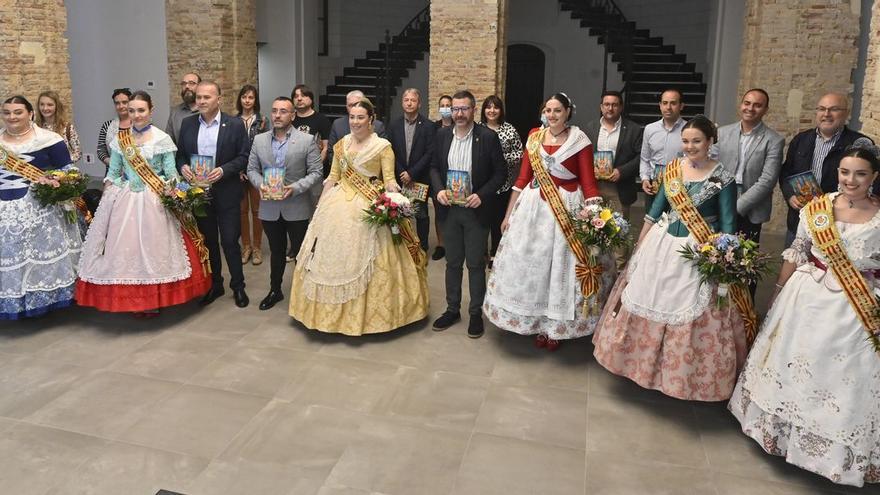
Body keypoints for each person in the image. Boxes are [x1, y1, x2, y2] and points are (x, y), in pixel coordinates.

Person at [729, 144, 880, 487]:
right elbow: (797, 250)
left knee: (845, 377)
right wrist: (779, 291)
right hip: (807, 298)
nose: (850, 180)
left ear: (874, 177)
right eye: (844, 172)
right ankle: (783, 436)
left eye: (860, 174)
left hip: (856, 307)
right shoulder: (818, 207)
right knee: (796, 363)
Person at [592, 115, 748, 401]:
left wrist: (722, 260)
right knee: (645, 296)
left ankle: (679, 376)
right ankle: (638, 366)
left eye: (696, 141)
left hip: (697, 250)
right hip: (660, 245)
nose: (690, 146)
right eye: (686, 141)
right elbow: (654, 211)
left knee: (689, 308)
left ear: (710, 141)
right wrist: (639, 247)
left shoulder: (723, 179)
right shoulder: (673, 170)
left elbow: (727, 225)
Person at [288, 98, 428, 335]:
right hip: (337, 205)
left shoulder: (382, 146)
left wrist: (397, 202)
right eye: (352, 117)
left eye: (360, 117)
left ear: (371, 119)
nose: (355, 122)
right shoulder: (341, 144)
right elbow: (332, 177)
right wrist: (320, 208)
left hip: (369, 205)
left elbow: (390, 181)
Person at [484, 93, 612, 350]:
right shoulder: (533, 138)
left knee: (559, 268)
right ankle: (534, 321)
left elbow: (589, 183)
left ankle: (555, 328)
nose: (552, 115)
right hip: (532, 209)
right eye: (548, 110)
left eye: (557, 110)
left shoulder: (580, 140)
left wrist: (597, 219)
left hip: (567, 209)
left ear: (567, 112)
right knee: (534, 267)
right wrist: (509, 215)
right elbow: (521, 180)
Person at [75, 91, 212, 315]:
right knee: (127, 252)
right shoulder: (121, 139)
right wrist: (114, 185)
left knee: (154, 249)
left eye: (141, 110)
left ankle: (156, 298)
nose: (136, 115)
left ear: (151, 110)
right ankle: (133, 300)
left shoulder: (162, 139)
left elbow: (170, 172)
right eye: (132, 111)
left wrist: (172, 190)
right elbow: (115, 171)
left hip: (155, 199)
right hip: (126, 200)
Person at [430, 90, 507, 338]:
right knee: (452, 263)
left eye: (464, 109)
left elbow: (500, 173)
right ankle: (452, 309)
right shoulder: (441, 135)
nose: (459, 114)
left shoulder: (487, 137)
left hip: (476, 211)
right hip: (449, 210)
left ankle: (476, 313)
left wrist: (482, 195)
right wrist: (439, 189)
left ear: (473, 110)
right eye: (455, 109)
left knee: (475, 264)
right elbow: (433, 167)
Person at [0, 95, 80, 319]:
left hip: (38, 206)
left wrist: (52, 181)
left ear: (30, 114)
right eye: (7, 112)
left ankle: (40, 299)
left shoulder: (48, 139)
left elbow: (68, 170)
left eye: (18, 112)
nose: (12, 117)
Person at [177, 81, 251, 308]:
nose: (201, 101)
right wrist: (183, 168)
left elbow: (244, 156)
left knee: (229, 241)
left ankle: (238, 287)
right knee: (208, 242)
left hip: (227, 191)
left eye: (206, 97)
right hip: (199, 194)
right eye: (199, 97)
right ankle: (215, 284)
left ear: (218, 99)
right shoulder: (188, 124)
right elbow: (180, 155)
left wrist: (224, 170)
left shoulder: (235, 124)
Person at [247, 96, 323, 310]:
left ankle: (304, 294)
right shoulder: (259, 140)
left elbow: (317, 172)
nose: (277, 115)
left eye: (283, 111)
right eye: (274, 111)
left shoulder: (306, 140)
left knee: (301, 251)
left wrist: (295, 188)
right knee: (276, 251)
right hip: (269, 207)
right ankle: (275, 290)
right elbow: (251, 169)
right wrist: (261, 184)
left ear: (293, 115)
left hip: (297, 205)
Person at [779, 92, 871, 247]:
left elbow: (870, 185)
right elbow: (786, 172)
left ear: (846, 113)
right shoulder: (801, 140)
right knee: (793, 266)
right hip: (799, 221)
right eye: (822, 109)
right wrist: (789, 195)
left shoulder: (859, 144)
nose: (826, 114)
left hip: (838, 226)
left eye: (834, 109)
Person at [715, 88, 784, 245]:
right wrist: (718, 198)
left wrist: (736, 207)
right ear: (741, 105)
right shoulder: (722, 133)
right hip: (722, 196)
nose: (750, 108)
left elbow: (767, 180)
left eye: (757, 105)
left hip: (752, 205)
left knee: (744, 259)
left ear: (766, 110)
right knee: (714, 252)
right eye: (747, 103)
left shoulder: (774, 140)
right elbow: (714, 168)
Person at [387, 88, 435, 252]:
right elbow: (390, 151)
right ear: (402, 103)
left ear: (419, 104)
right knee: (398, 214)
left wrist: (412, 173)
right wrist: (402, 172)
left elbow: (430, 153)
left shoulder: (428, 126)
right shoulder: (394, 124)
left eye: (412, 100)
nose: (409, 103)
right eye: (406, 100)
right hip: (399, 177)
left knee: (421, 214)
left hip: (419, 178)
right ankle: (402, 248)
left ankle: (422, 248)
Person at [584, 90, 643, 221]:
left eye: (614, 105)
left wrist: (622, 171)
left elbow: (641, 157)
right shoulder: (590, 127)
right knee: (593, 227)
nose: (610, 108)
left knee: (618, 230)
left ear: (621, 107)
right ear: (601, 107)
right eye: (606, 104)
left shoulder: (634, 129)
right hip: (595, 186)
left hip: (619, 187)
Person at [289, 84, 331, 261]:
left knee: (315, 209)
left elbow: (326, 147)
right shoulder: (289, 119)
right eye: (296, 96)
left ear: (311, 99)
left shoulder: (320, 119)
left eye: (303, 95)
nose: (299, 98)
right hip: (292, 174)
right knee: (294, 212)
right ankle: (295, 247)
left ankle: (315, 246)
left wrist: (315, 166)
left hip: (314, 173)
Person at [480, 95, 523, 263]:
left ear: (501, 110)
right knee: (482, 220)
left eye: (495, 107)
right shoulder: (478, 128)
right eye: (488, 107)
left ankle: (494, 254)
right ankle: (480, 252)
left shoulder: (509, 129)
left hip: (504, 184)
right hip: (482, 185)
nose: (492, 110)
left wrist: (500, 158)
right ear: (484, 110)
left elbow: (520, 153)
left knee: (498, 221)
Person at [236, 84, 268, 267]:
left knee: (257, 211)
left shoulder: (263, 120)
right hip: (239, 172)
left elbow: (267, 146)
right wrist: (238, 170)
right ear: (240, 99)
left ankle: (257, 247)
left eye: (251, 98)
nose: (247, 101)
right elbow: (232, 147)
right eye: (244, 97)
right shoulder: (232, 120)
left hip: (259, 171)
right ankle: (245, 246)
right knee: (241, 211)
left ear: (255, 100)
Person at [639, 88, 686, 208]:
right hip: (653, 189)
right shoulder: (650, 129)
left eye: (673, 103)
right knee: (652, 224)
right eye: (665, 103)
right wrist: (644, 179)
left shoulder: (689, 130)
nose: (668, 107)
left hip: (680, 190)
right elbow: (645, 159)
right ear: (660, 105)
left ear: (681, 106)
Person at [327, 90, 386, 168]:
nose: (354, 107)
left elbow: (383, 154)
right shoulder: (337, 125)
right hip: (343, 173)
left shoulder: (377, 126)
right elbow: (331, 152)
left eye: (357, 104)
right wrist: (347, 170)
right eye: (350, 105)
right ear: (346, 106)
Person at [430, 94, 453, 260]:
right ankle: (441, 244)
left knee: (454, 212)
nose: (445, 108)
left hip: (455, 177)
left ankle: (455, 244)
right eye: (443, 105)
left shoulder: (457, 126)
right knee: (439, 212)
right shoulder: (433, 127)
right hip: (438, 174)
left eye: (448, 105)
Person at [36, 90, 81, 163]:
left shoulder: (67, 128)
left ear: (57, 106)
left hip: (63, 171)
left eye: (49, 105)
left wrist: (63, 161)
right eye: (42, 104)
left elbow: (77, 152)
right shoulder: (35, 128)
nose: (45, 108)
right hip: (41, 172)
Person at [97, 88, 132, 175]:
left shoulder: (140, 125)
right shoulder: (107, 126)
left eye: (125, 102)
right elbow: (101, 150)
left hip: (137, 175)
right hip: (112, 174)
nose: (121, 106)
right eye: (117, 103)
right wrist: (114, 164)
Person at [166, 72, 200, 145]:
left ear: (200, 86)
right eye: (184, 83)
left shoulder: (206, 111)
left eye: (191, 83)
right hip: (180, 156)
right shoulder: (175, 112)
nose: (187, 86)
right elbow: (169, 142)